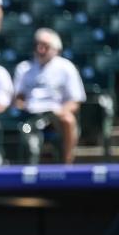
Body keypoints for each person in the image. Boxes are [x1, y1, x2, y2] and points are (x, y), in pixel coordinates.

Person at [13, 28, 86, 164]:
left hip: (55, 115)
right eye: (38, 45)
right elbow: (19, 97)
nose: (41, 49)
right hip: (30, 115)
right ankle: (24, 167)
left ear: (56, 49)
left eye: (45, 46)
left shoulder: (66, 67)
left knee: (68, 120)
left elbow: (75, 101)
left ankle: (67, 163)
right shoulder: (23, 68)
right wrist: (21, 106)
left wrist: (61, 112)